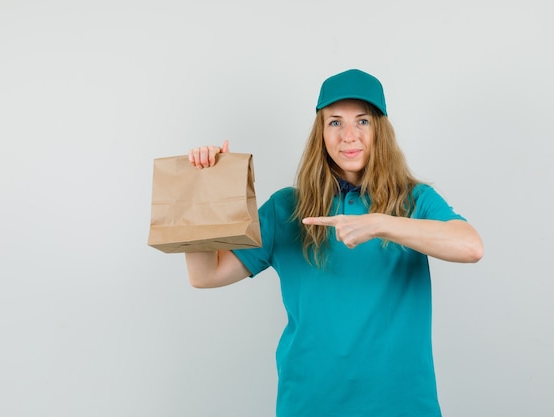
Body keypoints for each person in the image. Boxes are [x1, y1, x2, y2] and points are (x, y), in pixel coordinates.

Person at [185, 69, 483, 417]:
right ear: (321, 133)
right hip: (310, 405)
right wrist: (201, 189)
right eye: (335, 123)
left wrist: (380, 224)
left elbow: (470, 246)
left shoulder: (414, 201)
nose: (349, 136)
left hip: (402, 405)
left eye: (363, 121)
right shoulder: (286, 209)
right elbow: (205, 275)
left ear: (380, 130)